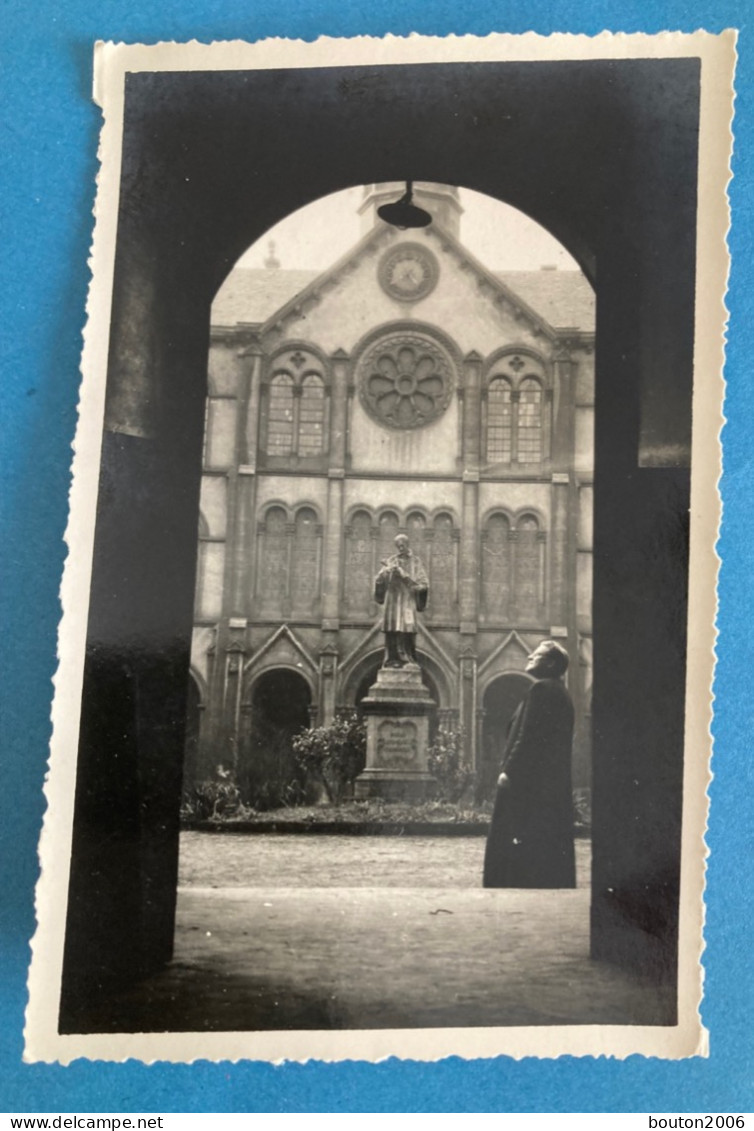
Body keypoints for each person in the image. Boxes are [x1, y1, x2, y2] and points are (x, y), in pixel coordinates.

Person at [483, 640, 576, 888]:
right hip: (547, 783)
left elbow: (527, 736)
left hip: (528, 782)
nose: (530, 656)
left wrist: (508, 771)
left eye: (538, 654)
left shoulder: (542, 690)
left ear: (552, 663)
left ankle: (509, 882)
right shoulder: (559, 691)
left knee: (515, 831)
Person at [374, 534, 429, 668]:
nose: (400, 547)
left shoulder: (416, 562)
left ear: (407, 544)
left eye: (403, 544)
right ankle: (392, 659)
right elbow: (379, 582)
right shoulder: (391, 560)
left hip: (407, 601)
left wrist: (405, 576)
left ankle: (407, 658)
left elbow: (424, 585)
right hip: (393, 601)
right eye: (398, 545)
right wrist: (385, 574)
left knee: (407, 628)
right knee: (392, 627)